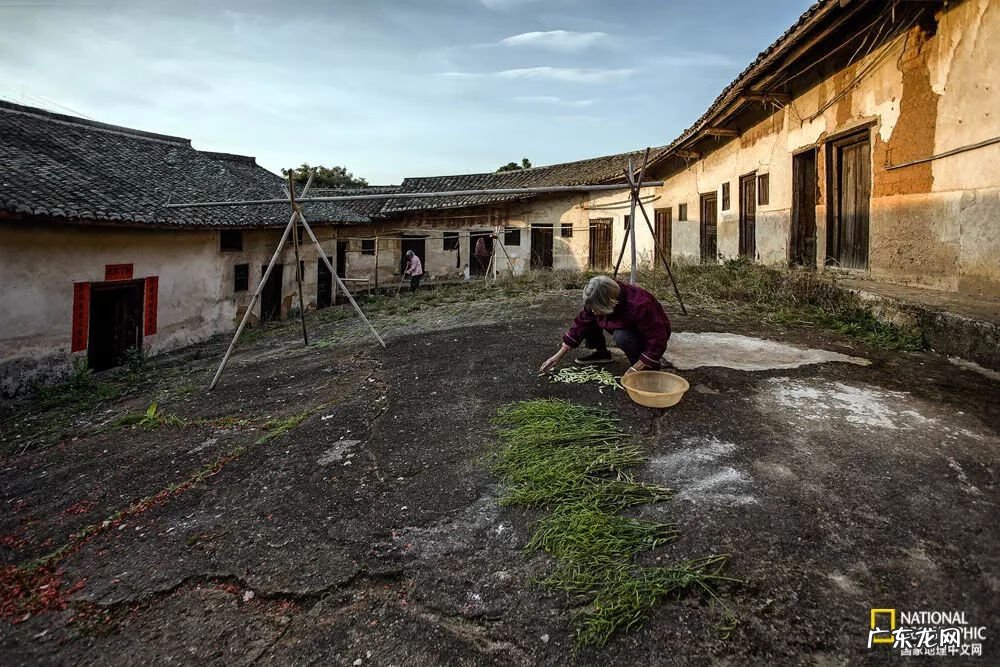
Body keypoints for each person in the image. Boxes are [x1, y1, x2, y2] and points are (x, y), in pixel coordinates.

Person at [539, 275, 671, 375]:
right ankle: (601, 353)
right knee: (590, 318)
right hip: (621, 322)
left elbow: (657, 340)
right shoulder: (601, 296)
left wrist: (636, 368)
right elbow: (582, 322)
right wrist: (558, 355)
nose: (593, 311)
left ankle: (645, 369)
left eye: (598, 308)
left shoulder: (640, 305)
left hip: (642, 335)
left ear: (611, 302)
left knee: (622, 337)